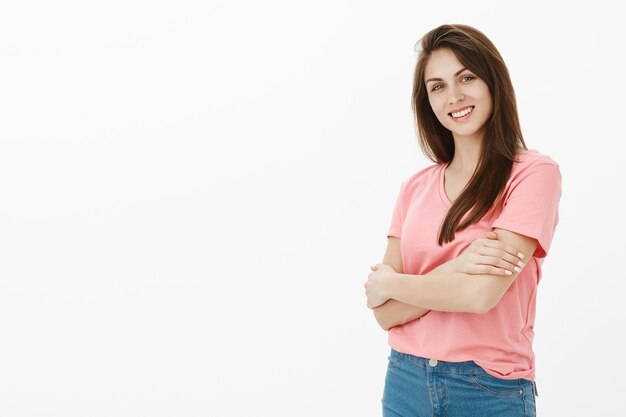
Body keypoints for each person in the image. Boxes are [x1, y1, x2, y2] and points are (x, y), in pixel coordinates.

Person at [363, 24, 562, 417]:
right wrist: (459, 266)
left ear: (493, 82)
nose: (454, 97)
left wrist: (391, 283)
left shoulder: (533, 174)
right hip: (405, 379)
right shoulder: (414, 187)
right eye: (437, 86)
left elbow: (479, 296)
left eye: (466, 77)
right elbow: (385, 314)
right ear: (428, 102)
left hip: (487, 388)